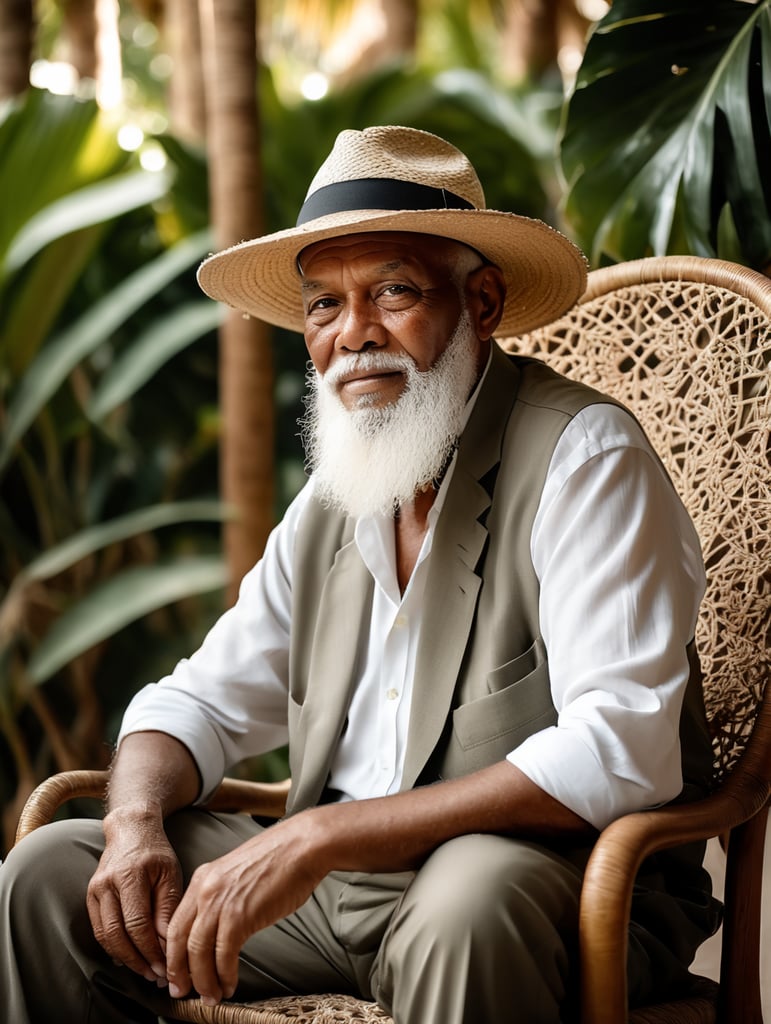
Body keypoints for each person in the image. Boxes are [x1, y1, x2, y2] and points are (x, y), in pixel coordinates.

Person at [0, 125, 721, 1024]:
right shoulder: (336, 499)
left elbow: (619, 750)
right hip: (331, 897)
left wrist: (317, 836)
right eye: (322, 307)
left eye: (393, 292)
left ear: (483, 301)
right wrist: (134, 823)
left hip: (541, 889)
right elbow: (198, 704)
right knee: (48, 877)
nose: (355, 336)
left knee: (466, 905)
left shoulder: (581, 456)